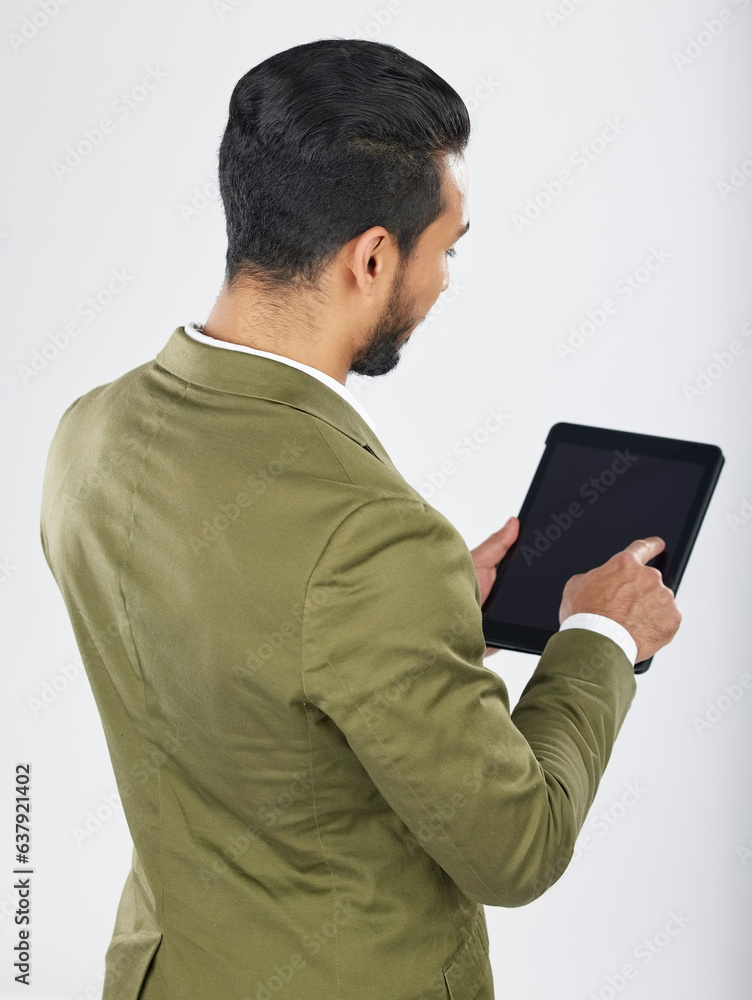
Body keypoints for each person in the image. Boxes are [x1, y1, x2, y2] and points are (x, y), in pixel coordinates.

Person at [39, 38, 680, 1000]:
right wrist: (597, 636)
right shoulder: (372, 538)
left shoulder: (87, 434)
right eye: (447, 247)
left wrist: (419, 621)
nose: (447, 280)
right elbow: (519, 850)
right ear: (373, 256)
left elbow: (228, 651)